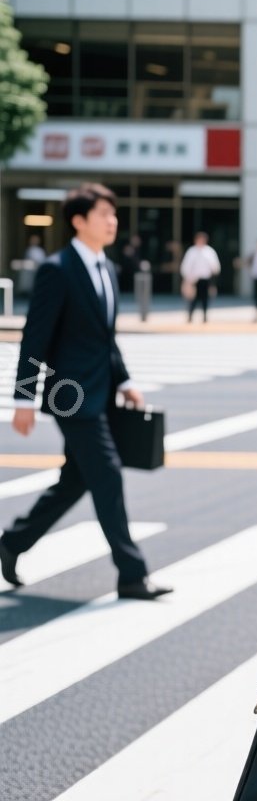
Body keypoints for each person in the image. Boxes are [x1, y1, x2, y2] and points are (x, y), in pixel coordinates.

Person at [0, 184, 170, 600]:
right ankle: (131, 574)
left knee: (76, 481)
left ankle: (12, 542)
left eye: (113, 214)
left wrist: (125, 381)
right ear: (78, 221)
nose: (112, 221)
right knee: (107, 474)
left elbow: (104, 338)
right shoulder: (57, 269)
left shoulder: (106, 267)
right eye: (103, 215)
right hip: (68, 395)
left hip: (102, 392)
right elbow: (35, 338)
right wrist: (23, 399)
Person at [180, 231, 221, 324]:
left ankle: (205, 316)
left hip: (205, 278)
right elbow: (186, 266)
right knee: (192, 299)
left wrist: (214, 274)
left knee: (205, 298)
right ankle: (190, 315)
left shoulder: (209, 251)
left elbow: (215, 265)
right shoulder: (191, 251)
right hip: (194, 279)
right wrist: (187, 278)